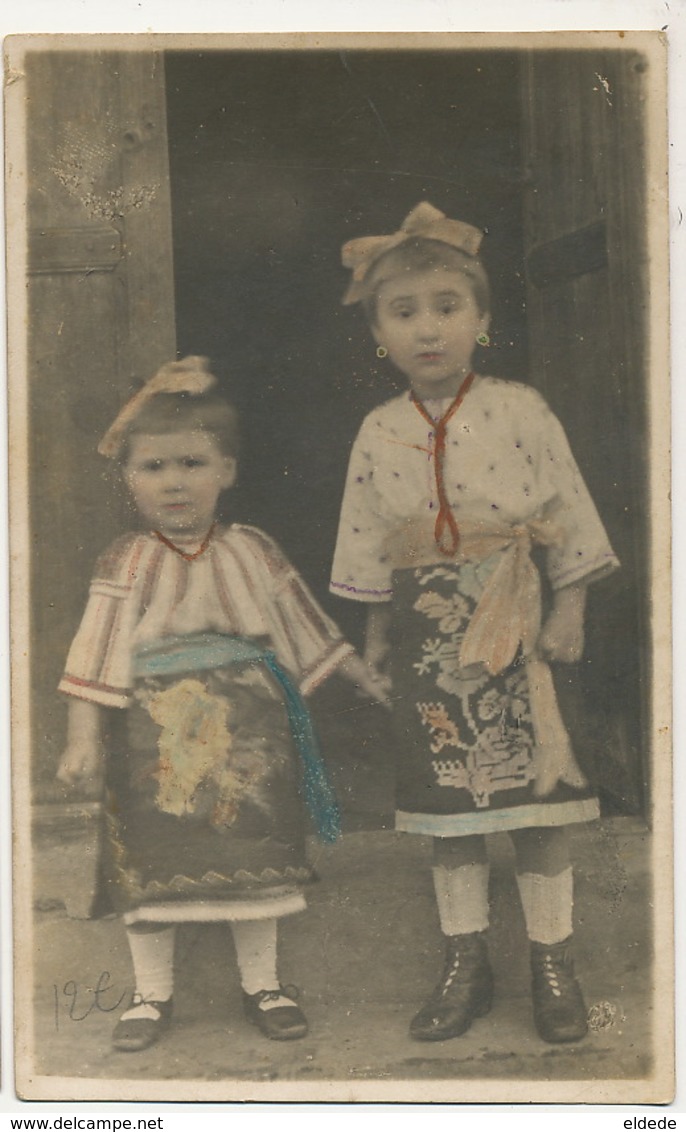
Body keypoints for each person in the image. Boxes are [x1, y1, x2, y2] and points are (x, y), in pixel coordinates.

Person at [330, 202, 619, 1045]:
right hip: (429, 635)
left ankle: (552, 959)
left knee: (536, 805)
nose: (428, 330)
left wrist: (572, 605)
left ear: (482, 320)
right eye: (404, 311)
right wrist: (378, 637)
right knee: (448, 807)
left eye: (448, 307)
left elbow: (569, 507)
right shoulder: (378, 430)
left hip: (520, 617)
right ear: (379, 331)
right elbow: (369, 537)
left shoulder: (521, 408)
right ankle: (466, 961)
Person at [57, 357, 386, 1052]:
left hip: (248, 730)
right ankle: (151, 994)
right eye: (152, 467)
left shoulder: (253, 550)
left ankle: (264, 983)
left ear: (227, 471)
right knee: (149, 865)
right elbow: (94, 651)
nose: (174, 482)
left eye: (192, 462)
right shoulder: (126, 560)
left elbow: (304, 624)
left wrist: (358, 674)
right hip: (153, 735)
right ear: (128, 478)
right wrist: (83, 736)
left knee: (254, 859)